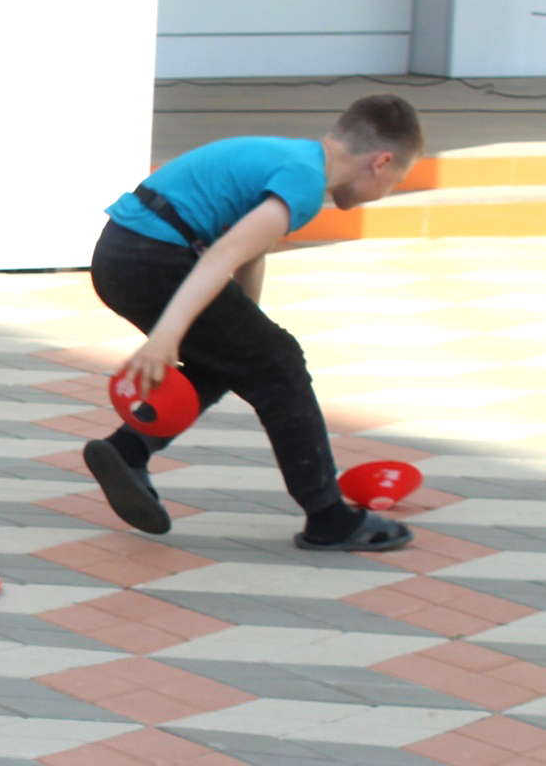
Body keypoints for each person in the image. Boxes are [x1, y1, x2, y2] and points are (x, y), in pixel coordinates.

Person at [84, 95, 424, 554]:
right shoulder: (304, 183)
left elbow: (247, 251)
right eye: (396, 181)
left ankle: (130, 450)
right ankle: (329, 516)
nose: (389, 190)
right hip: (151, 257)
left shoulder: (293, 158)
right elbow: (224, 256)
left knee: (241, 357)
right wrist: (166, 337)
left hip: (122, 252)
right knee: (279, 361)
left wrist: (246, 325)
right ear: (381, 163)